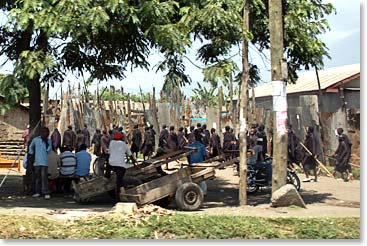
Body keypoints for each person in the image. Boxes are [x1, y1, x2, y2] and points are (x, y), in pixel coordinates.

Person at [105, 132, 138, 202]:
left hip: (112, 164)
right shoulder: (124, 144)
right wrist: (135, 165)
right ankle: (118, 198)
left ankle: (107, 176)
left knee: (109, 161)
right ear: (121, 138)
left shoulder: (111, 142)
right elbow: (130, 155)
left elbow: (109, 153)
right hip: (120, 166)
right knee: (119, 181)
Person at [28, 127, 53, 199]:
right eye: (44, 132)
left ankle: (46, 192)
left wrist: (47, 145)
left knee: (44, 178)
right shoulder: (36, 140)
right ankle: (37, 192)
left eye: (46, 132)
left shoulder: (48, 141)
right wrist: (31, 152)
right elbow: (31, 147)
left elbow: (49, 151)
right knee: (37, 178)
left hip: (44, 162)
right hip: (36, 162)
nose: (45, 133)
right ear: (41, 132)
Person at [188, 129, 208, 195]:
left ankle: (196, 191)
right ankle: (203, 192)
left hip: (192, 164)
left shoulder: (190, 146)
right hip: (200, 163)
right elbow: (205, 155)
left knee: (194, 178)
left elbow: (188, 156)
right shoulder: (202, 146)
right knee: (202, 178)